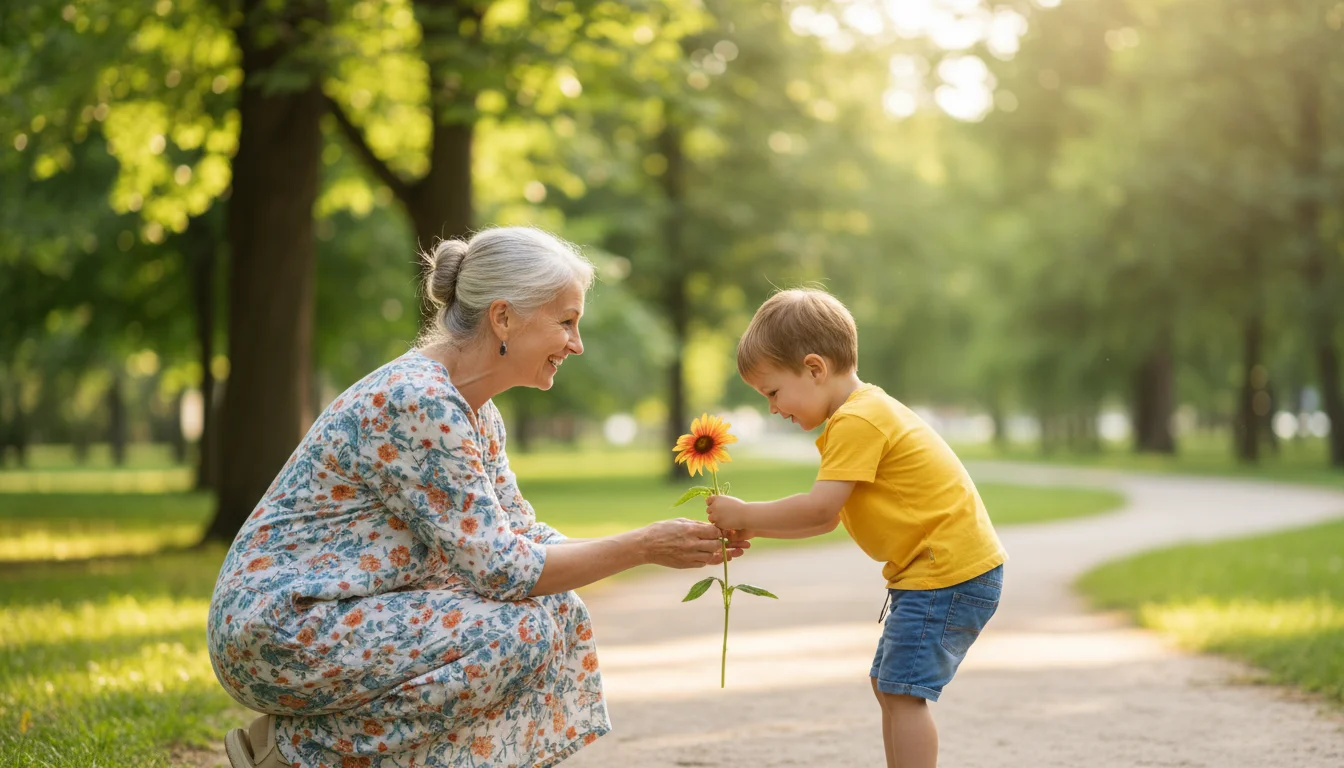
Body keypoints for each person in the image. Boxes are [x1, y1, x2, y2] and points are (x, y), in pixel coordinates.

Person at [208, 226, 748, 768]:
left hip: (338, 616)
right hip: (281, 628)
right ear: (504, 317)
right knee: (519, 631)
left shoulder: (474, 411)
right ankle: (290, 754)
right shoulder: (420, 402)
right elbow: (504, 571)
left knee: (558, 609)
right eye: (566, 322)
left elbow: (521, 536)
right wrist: (643, 547)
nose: (576, 344)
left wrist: (668, 539)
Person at [704, 288, 1006, 768]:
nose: (773, 409)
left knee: (902, 692)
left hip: (945, 571)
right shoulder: (862, 412)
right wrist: (757, 527)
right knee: (889, 684)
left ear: (815, 368)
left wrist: (746, 515)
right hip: (935, 571)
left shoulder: (858, 420)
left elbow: (819, 512)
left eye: (773, 392)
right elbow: (823, 519)